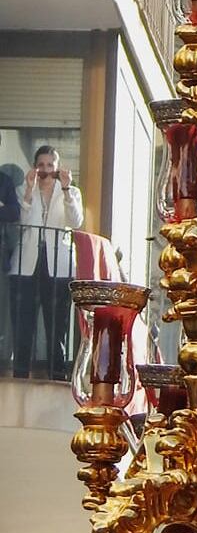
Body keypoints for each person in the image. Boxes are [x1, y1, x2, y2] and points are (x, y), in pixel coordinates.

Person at [7, 145, 83, 380]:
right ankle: (20, 372)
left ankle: (57, 373)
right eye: (41, 165)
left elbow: (76, 221)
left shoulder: (70, 191)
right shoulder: (23, 189)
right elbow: (21, 218)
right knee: (23, 320)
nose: (45, 170)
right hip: (27, 263)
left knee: (56, 324)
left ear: (57, 167)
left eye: (50, 165)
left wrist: (67, 188)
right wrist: (29, 189)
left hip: (58, 265)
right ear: (34, 167)